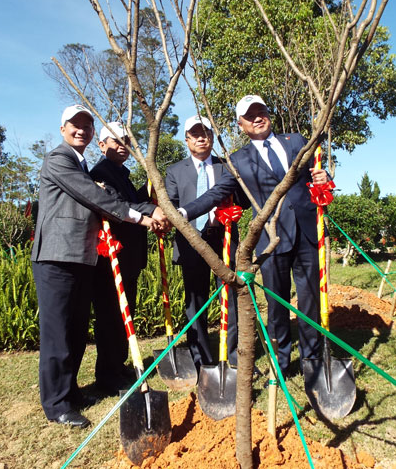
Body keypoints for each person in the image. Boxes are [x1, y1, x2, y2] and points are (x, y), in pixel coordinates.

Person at [31, 105, 161, 428]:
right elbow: (93, 197)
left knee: (75, 330)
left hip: (81, 257)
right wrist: (141, 217)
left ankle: (71, 390)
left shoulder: (82, 164)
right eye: (76, 125)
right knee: (57, 332)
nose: (82, 130)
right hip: (56, 257)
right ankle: (56, 403)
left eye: (87, 125)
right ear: (62, 129)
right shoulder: (59, 159)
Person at [181, 96, 330, 376]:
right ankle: (281, 363)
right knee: (276, 304)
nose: (257, 118)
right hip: (271, 240)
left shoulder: (296, 141)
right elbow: (217, 194)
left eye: (261, 111)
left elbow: (317, 173)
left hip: (307, 232)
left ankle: (312, 359)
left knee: (310, 299)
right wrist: (182, 212)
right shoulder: (238, 160)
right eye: (250, 116)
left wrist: (324, 176)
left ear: (268, 115)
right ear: (241, 125)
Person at [89, 122, 161, 394]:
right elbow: (119, 206)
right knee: (110, 316)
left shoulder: (122, 173)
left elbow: (132, 199)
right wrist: (150, 209)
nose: (122, 146)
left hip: (129, 257)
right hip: (111, 258)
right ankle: (107, 375)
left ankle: (118, 366)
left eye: (126, 141)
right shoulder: (100, 173)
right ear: (102, 145)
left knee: (124, 314)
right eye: (115, 141)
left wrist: (150, 188)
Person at [165, 115, 240, 372]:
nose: (201, 137)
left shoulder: (226, 167)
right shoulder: (175, 171)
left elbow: (242, 198)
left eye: (205, 132)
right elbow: (172, 206)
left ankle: (233, 355)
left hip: (224, 240)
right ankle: (201, 358)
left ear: (211, 136)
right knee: (195, 300)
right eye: (195, 133)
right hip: (192, 242)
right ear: (186, 139)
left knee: (229, 297)